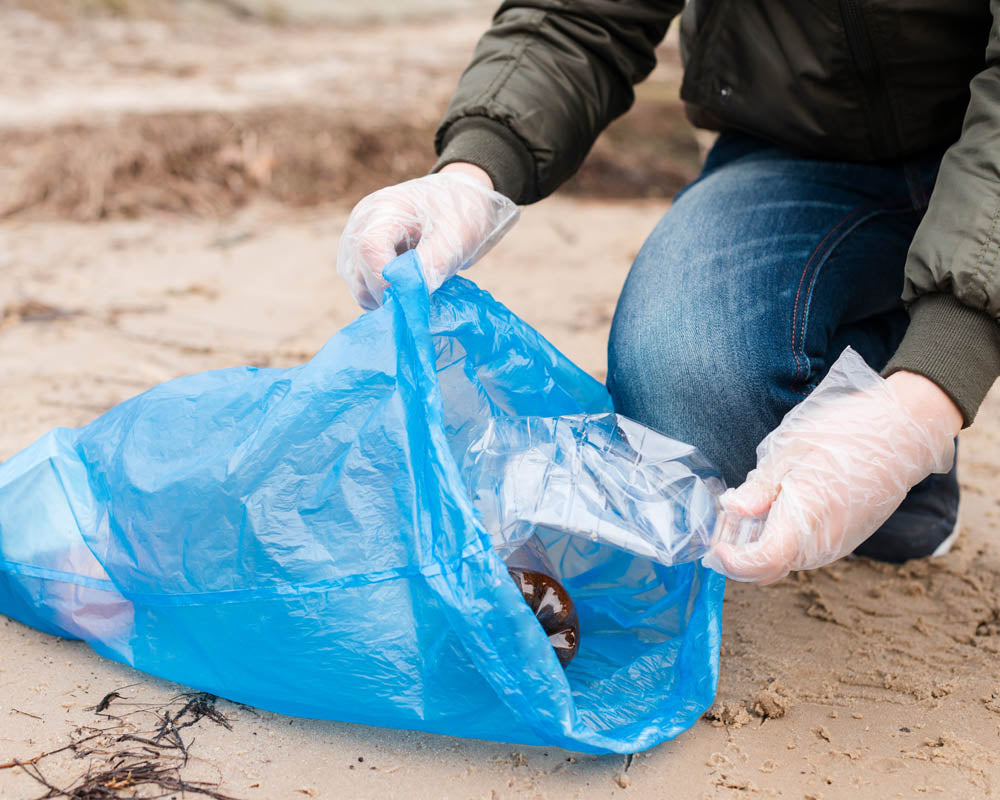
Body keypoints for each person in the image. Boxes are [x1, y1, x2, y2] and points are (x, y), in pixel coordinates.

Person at [336, 1, 1000, 584]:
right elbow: (581, 14)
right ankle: (870, 401)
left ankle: (903, 419)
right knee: (683, 390)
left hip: (979, 151)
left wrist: (927, 399)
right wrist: (470, 174)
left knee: (816, 452)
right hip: (801, 158)